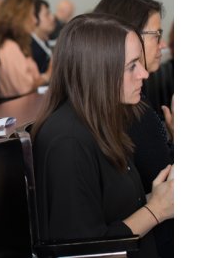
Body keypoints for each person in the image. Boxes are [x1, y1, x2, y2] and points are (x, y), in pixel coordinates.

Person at [32, 13, 174, 258]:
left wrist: (157, 195)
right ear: (98, 71)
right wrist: (156, 210)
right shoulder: (67, 142)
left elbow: (111, 210)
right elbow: (84, 248)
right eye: (132, 66)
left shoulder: (100, 121)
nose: (144, 74)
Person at [94, 0, 173, 258]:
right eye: (157, 35)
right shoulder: (132, 109)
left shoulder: (130, 101)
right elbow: (167, 186)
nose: (162, 46)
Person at [0, 0, 51, 99]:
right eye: (31, 15)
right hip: (19, 109)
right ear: (19, 17)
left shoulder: (18, 45)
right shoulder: (9, 47)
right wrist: (49, 74)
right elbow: (26, 88)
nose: (35, 21)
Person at [30, 0, 55, 73]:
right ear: (34, 18)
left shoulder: (44, 41)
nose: (52, 17)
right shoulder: (29, 48)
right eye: (47, 14)